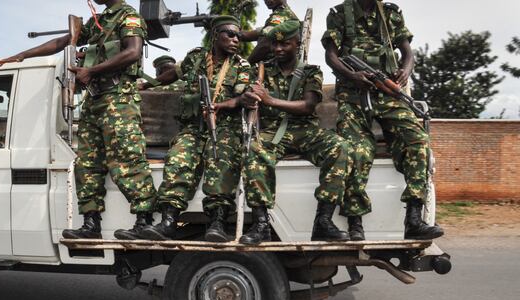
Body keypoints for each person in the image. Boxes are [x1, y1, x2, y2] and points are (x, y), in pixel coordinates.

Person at [0, 0, 157, 240]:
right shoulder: (98, 22)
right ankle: (91, 225)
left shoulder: (128, 16)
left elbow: (132, 52)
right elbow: (62, 41)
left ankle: (145, 223)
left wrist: (91, 70)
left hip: (119, 98)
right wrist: (22, 55)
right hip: (95, 99)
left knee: (126, 157)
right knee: (87, 163)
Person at [322, 0, 444, 240]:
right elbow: (331, 56)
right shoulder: (339, 13)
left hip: (387, 92)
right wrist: (352, 75)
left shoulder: (390, 12)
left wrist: (405, 71)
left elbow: (407, 51)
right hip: (354, 94)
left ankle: (414, 219)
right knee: (357, 149)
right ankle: (355, 222)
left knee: (417, 140)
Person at [139, 16, 253, 242]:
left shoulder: (241, 66)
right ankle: (169, 220)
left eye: (238, 36)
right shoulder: (196, 58)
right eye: (229, 34)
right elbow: (173, 74)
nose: (235, 40)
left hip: (224, 127)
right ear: (215, 35)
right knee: (179, 158)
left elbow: (243, 98)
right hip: (193, 126)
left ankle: (217, 222)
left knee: (221, 161)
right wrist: (147, 84)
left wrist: (220, 106)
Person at [239, 20, 352, 245]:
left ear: (297, 43)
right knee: (253, 151)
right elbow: (244, 96)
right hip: (272, 131)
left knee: (340, 147)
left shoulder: (311, 72)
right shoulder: (261, 71)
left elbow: (308, 106)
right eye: (275, 44)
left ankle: (323, 221)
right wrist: (249, 97)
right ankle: (261, 225)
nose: (278, 49)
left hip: (305, 130)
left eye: (285, 44)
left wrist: (269, 99)